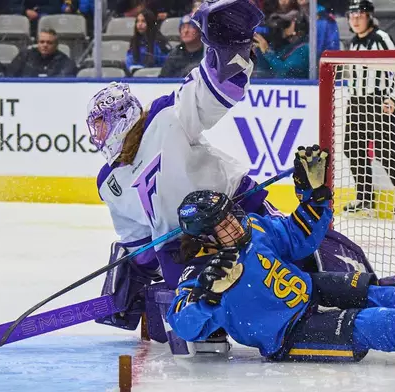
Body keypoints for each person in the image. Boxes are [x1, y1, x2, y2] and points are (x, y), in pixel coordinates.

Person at [89, 0, 374, 341]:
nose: (98, 135)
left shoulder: (163, 118)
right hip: (182, 245)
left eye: (102, 126)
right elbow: (139, 241)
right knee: (207, 310)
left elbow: (207, 95)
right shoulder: (110, 183)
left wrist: (227, 47)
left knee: (298, 260)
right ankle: (221, 325)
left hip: (235, 208)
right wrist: (136, 274)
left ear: (121, 118)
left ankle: (341, 286)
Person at [167, 146, 395, 361]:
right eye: (223, 223)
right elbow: (183, 324)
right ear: (205, 240)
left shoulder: (256, 228)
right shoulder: (200, 274)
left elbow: (299, 237)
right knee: (377, 323)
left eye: (232, 213)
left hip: (310, 289)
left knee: (392, 295)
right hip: (289, 334)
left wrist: (313, 197)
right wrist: (209, 295)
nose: (235, 223)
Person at [342, 0, 395, 214]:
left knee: (387, 152)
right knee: (353, 148)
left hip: (378, 102)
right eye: (352, 15)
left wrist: (392, 98)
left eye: (360, 14)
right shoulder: (353, 42)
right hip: (356, 103)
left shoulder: (381, 38)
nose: (355, 19)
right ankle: (364, 199)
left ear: (370, 17)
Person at [125, 9, 170, 74]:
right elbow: (129, 59)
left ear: (150, 23)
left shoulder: (160, 41)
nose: (140, 24)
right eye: (138, 21)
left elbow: (165, 63)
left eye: (143, 21)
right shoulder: (134, 41)